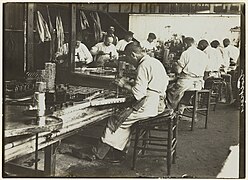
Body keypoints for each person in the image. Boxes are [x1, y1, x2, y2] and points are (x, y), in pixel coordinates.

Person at [90, 42, 170, 162]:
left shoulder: (143, 66)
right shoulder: (154, 62)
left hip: (148, 105)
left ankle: (106, 153)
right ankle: (119, 150)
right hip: (159, 103)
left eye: (128, 58)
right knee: (126, 119)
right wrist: (132, 83)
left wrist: (124, 84)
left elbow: (139, 94)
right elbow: (156, 83)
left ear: (133, 55)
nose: (128, 62)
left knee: (117, 119)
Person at [166, 37, 210, 110]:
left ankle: (171, 112)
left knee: (170, 91)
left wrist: (175, 65)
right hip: (198, 84)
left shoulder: (186, 53)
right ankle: (181, 109)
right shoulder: (203, 54)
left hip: (186, 82)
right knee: (186, 94)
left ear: (186, 44)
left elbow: (178, 71)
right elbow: (206, 71)